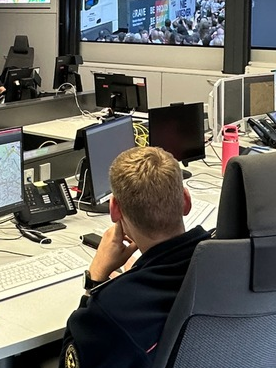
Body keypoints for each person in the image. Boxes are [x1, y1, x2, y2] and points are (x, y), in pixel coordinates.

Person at [59, 146, 210, 368]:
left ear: (114, 210)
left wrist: (97, 280)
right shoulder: (233, 265)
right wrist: (137, 274)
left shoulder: (111, 309)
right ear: (186, 201)